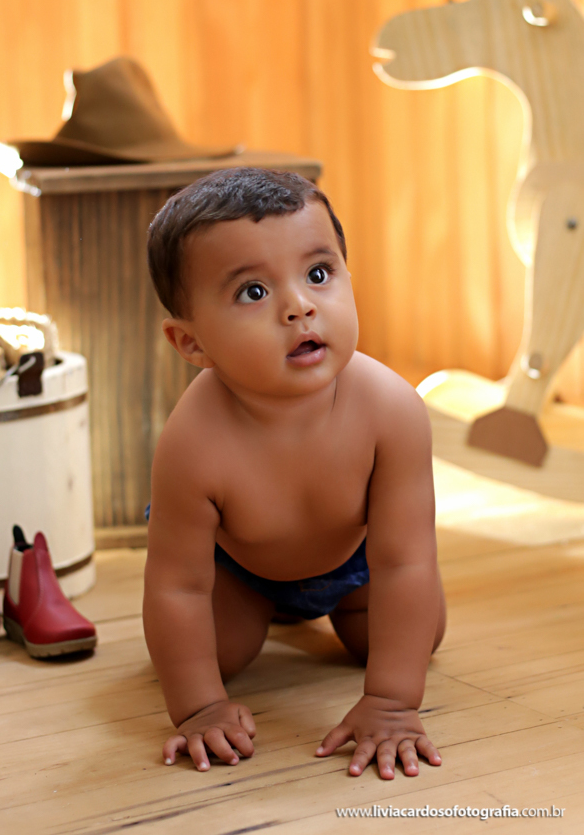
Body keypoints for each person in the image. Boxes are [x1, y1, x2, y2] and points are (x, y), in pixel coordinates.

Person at [143, 167, 446, 779]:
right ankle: (263, 612)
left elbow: (405, 561)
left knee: (415, 634)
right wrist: (199, 708)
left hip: (359, 565)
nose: (299, 306)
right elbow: (177, 586)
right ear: (191, 343)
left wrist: (391, 702)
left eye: (319, 274)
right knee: (215, 654)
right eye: (253, 291)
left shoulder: (392, 409)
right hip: (238, 571)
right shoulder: (192, 442)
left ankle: (345, 614)